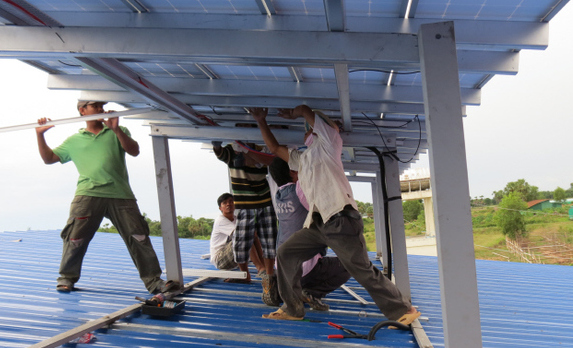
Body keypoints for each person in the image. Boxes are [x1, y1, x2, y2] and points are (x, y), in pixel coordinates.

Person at [251, 105, 420, 324]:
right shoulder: (302, 159)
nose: (306, 129)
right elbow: (274, 148)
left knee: (360, 270)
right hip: (317, 224)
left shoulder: (329, 144)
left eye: (310, 126)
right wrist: (260, 120)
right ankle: (293, 308)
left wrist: (301, 112)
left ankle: (402, 309)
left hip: (340, 218)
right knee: (286, 252)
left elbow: (310, 115)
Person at [36, 100, 176, 294]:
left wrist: (116, 130)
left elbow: (134, 151)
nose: (101, 109)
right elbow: (48, 159)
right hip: (87, 195)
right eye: (95, 106)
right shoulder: (73, 141)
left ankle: (154, 282)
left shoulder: (119, 130)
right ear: (82, 111)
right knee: (75, 238)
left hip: (121, 195)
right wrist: (40, 135)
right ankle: (66, 278)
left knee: (139, 237)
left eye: (102, 106)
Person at [269, 157, 350, 311]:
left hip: (283, 271)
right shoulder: (300, 191)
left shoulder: (279, 196)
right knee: (349, 264)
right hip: (304, 269)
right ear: (293, 171)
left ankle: (292, 292)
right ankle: (310, 292)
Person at [212, 141, 279, 305]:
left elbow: (270, 160)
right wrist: (216, 142)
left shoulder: (261, 148)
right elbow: (220, 152)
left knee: (270, 242)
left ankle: (268, 279)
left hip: (264, 200)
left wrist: (247, 152)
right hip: (245, 203)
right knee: (241, 244)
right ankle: (245, 274)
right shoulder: (232, 150)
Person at [209, 193, 266, 282]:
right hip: (220, 259)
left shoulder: (237, 219)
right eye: (225, 203)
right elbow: (241, 235)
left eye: (231, 202)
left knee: (251, 235)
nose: (228, 204)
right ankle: (253, 271)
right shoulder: (220, 220)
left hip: (234, 257)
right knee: (244, 235)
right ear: (220, 208)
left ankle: (263, 267)